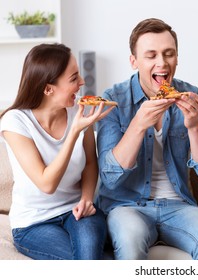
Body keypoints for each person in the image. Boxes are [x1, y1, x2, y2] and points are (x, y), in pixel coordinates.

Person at [95, 18, 198, 260]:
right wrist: (138, 124)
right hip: (126, 206)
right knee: (129, 239)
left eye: (169, 54)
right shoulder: (113, 98)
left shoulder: (192, 96)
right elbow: (110, 178)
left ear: (177, 57)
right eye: (151, 55)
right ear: (134, 61)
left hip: (179, 206)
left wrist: (194, 125)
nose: (162, 63)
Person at [0, 43, 114, 260]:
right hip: (34, 223)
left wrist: (87, 200)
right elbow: (46, 184)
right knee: (90, 263)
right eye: (73, 78)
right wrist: (74, 133)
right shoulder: (15, 121)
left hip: (77, 211)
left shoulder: (79, 112)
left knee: (91, 257)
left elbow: (91, 164)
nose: (82, 82)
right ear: (48, 88)